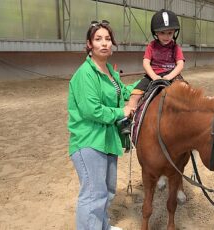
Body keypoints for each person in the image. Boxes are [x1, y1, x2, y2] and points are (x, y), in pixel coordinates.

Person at [67, 20, 135, 230]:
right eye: (98, 39)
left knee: (107, 190)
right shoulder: (85, 74)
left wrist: (145, 84)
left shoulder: (109, 71)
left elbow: (123, 92)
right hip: (89, 141)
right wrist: (121, 111)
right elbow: (92, 110)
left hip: (106, 139)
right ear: (89, 44)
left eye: (107, 39)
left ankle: (102, 226)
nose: (104, 43)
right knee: (93, 193)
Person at [127, 9, 185, 109]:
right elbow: (146, 62)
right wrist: (154, 76)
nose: (166, 36)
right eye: (162, 32)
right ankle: (129, 119)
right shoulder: (151, 46)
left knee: (187, 90)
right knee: (134, 95)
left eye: (170, 33)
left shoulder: (175, 47)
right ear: (156, 33)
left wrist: (169, 76)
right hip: (153, 75)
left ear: (175, 32)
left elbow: (180, 64)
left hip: (172, 75)